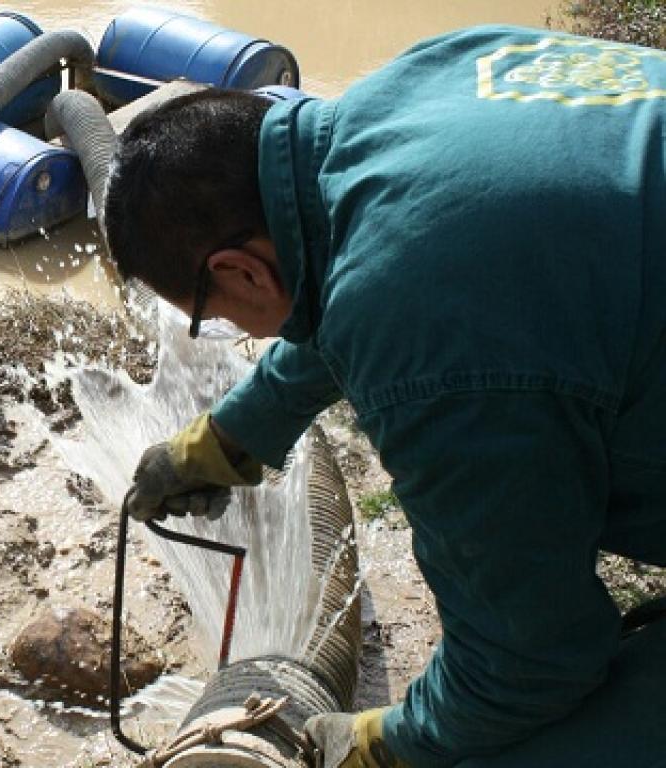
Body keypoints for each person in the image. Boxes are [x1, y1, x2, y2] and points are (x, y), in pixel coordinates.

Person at [103, 24, 666, 768]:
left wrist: (384, 742)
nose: (237, 330)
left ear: (240, 272)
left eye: (216, 317)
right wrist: (229, 439)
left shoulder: (433, 338)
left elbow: (529, 664)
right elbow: (372, 284)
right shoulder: (408, 92)